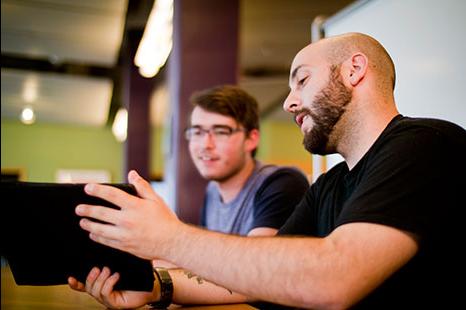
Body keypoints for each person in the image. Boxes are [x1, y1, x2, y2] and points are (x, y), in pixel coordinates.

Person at [69, 32, 465, 309]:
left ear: (354, 70)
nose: (290, 103)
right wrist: (156, 287)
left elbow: (335, 278)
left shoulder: (426, 143)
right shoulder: (329, 185)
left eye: (302, 81)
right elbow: (258, 275)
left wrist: (169, 239)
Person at [185, 85, 309, 236]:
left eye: (221, 132)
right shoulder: (212, 191)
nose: (206, 145)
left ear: (251, 139)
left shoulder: (283, 183)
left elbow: (257, 257)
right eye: (197, 132)